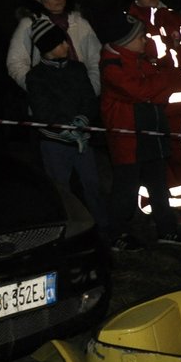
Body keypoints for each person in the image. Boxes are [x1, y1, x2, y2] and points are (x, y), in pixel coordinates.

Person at [94, 6, 181, 249]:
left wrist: (156, 85)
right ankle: (116, 234)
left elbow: (156, 90)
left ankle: (166, 229)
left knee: (159, 184)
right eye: (140, 36)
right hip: (129, 139)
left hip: (151, 133)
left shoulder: (137, 60)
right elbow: (142, 90)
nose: (145, 39)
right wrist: (162, 81)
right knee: (126, 189)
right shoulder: (113, 66)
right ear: (125, 41)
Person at [124, 0, 181, 213]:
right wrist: (171, 51)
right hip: (149, 101)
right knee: (151, 156)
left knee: (178, 154)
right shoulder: (129, 19)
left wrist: (164, 56)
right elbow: (138, 56)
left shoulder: (174, 17)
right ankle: (152, 207)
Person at [23, 16, 108, 238]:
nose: (66, 46)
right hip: (55, 143)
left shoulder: (77, 69)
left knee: (92, 185)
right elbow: (43, 110)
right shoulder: (36, 77)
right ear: (49, 48)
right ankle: (67, 233)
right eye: (61, 43)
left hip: (82, 141)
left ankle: (104, 229)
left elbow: (89, 99)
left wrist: (83, 119)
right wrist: (66, 128)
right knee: (61, 190)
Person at [7, 0, 101, 94]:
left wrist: (91, 89)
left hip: (82, 95)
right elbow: (16, 62)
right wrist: (39, 89)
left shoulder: (80, 23)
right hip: (47, 100)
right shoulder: (30, 24)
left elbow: (96, 59)